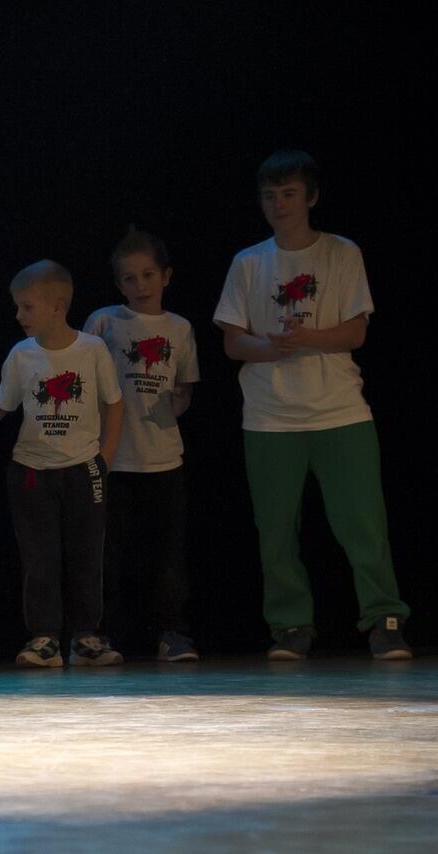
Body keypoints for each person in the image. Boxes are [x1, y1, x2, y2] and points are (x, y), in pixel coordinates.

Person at [213, 149, 411, 660]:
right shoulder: (248, 262)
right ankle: (291, 627)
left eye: (289, 195)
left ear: (311, 198)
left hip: (338, 410)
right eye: (270, 196)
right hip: (269, 416)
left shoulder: (342, 253)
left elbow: (357, 331)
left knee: (362, 523)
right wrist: (271, 346)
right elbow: (234, 341)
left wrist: (307, 337)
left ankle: (384, 620)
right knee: (276, 530)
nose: (279, 205)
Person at [0, 260, 124, 668]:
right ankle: (44, 638)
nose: (18, 316)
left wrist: (104, 456)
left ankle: (87, 636)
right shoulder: (22, 354)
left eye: (26, 307)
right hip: (32, 470)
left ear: (57, 306)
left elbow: (114, 402)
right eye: (17, 307)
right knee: (40, 557)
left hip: (83, 469)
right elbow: (5, 399)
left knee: (86, 554)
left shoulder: (91, 350)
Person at [83, 229, 200, 661]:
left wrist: (179, 401)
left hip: (162, 458)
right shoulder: (104, 321)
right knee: (107, 554)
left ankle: (172, 632)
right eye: (129, 279)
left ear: (166, 276)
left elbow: (184, 388)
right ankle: (100, 635)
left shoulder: (180, 328)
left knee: (166, 554)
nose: (140, 286)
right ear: (118, 284)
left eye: (148, 275)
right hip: (112, 458)